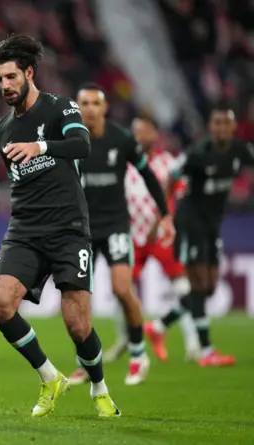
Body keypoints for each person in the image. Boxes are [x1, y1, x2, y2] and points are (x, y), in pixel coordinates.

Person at [0, 34, 120, 418]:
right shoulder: (2, 130)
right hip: (25, 229)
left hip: (68, 228)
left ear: (29, 72)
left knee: (78, 325)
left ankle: (99, 387)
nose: (5, 86)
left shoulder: (62, 108)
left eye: (11, 77)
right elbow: (19, 177)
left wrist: (41, 147)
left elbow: (82, 146)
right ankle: (50, 377)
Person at [68, 85, 175, 387]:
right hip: (81, 230)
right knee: (79, 300)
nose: (89, 108)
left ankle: (139, 355)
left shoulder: (121, 139)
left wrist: (165, 214)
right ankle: (85, 363)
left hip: (115, 225)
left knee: (122, 289)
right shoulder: (68, 139)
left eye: (94, 103)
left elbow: (149, 176)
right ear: (77, 108)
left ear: (104, 108)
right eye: (83, 103)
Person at [144, 102, 254, 367]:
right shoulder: (197, 153)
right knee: (197, 284)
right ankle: (206, 352)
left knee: (209, 287)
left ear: (233, 126)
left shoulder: (241, 150)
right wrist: (165, 216)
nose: (221, 128)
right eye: (216, 124)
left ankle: (159, 325)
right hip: (190, 222)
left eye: (226, 123)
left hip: (213, 224)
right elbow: (170, 178)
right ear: (210, 127)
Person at [103, 115, 200, 363]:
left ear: (155, 135)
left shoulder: (169, 164)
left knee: (182, 286)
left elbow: (182, 197)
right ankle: (125, 339)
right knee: (122, 289)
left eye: (144, 131)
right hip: (132, 235)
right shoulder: (121, 163)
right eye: (134, 131)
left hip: (161, 236)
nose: (138, 136)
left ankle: (193, 343)